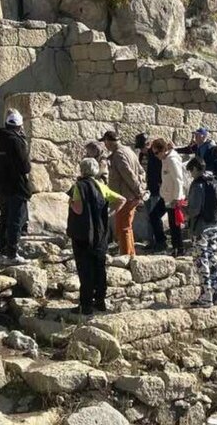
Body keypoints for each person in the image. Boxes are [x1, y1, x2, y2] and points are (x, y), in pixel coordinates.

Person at [67, 158, 125, 316]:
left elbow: (78, 210)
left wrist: (70, 202)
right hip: (100, 234)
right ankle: (100, 302)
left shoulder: (79, 186)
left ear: (82, 170)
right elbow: (122, 199)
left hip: (83, 234)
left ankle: (85, 305)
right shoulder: (101, 186)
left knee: (85, 269)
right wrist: (110, 213)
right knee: (99, 267)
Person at [0, 109, 32, 265]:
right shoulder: (16, 141)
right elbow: (25, 167)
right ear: (19, 126)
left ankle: (2, 251)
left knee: (4, 218)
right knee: (16, 220)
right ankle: (12, 254)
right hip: (15, 186)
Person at [185, 157, 217, 308]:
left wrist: (183, 209)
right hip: (213, 225)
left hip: (200, 227)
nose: (191, 174)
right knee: (213, 259)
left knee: (202, 260)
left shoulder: (198, 185)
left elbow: (194, 209)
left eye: (191, 171)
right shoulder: (214, 181)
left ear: (195, 168)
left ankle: (206, 297)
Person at [102, 130, 146, 257]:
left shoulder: (118, 155)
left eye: (105, 142)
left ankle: (126, 257)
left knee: (123, 228)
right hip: (130, 196)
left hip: (126, 197)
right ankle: (131, 255)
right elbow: (141, 172)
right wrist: (141, 188)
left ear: (108, 142)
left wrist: (139, 192)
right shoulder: (129, 151)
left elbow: (129, 175)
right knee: (126, 227)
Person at [152, 138, 188, 256]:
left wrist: (177, 198)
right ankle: (173, 246)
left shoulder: (172, 160)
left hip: (173, 197)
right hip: (167, 196)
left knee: (174, 223)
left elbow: (178, 180)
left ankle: (178, 248)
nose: (156, 155)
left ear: (163, 150)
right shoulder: (165, 159)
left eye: (157, 152)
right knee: (155, 216)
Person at [136, 133, 167, 253]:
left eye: (143, 147)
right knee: (149, 216)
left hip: (156, 189)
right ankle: (151, 241)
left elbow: (160, 170)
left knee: (155, 216)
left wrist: (160, 183)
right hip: (146, 190)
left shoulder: (154, 155)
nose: (142, 149)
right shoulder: (141, 155)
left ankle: (160, 241)